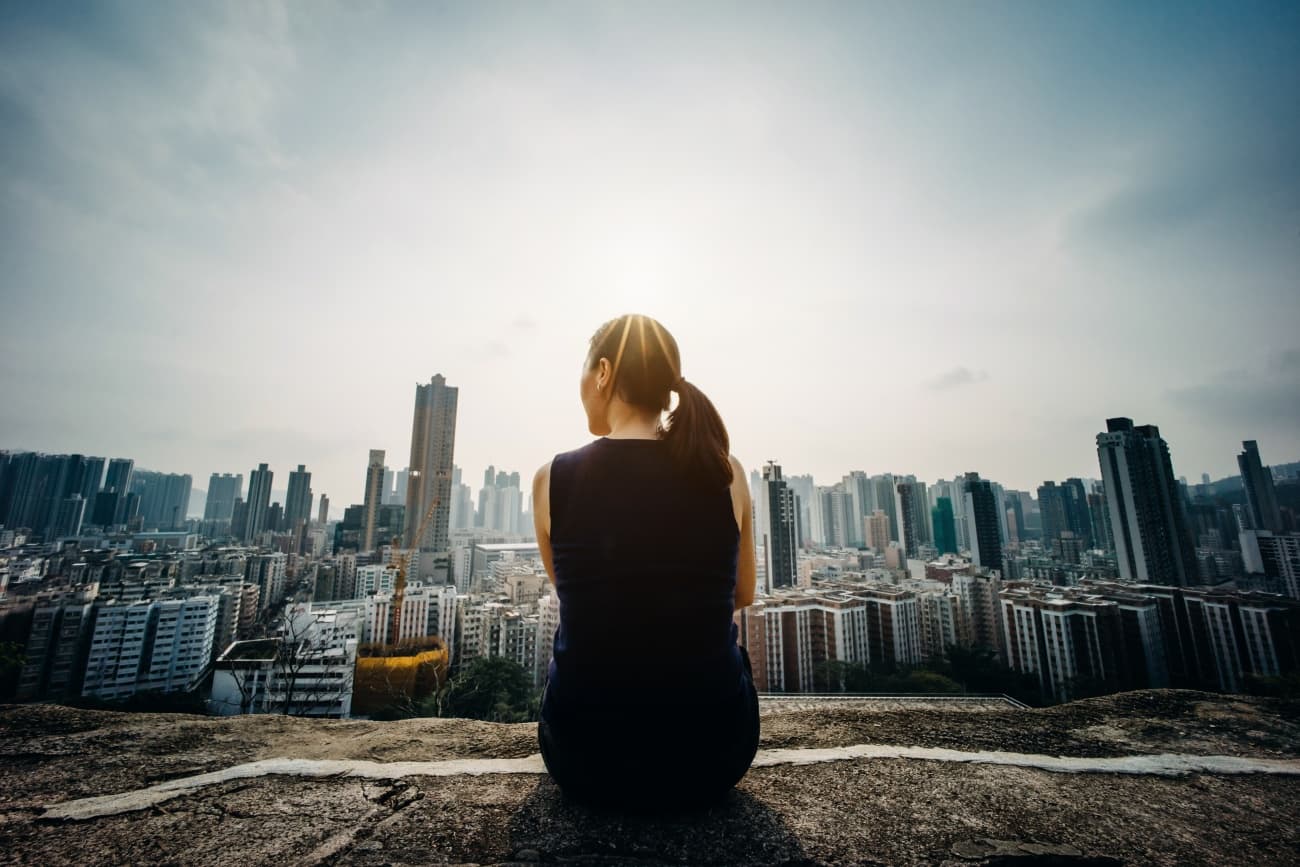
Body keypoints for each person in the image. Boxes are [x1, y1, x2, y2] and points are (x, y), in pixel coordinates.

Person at [532, 312, 761, 813]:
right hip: (713, 758)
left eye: (583, 371)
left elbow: (574, 595)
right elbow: (741, 596)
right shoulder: (726, 473)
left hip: (583, 760)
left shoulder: (553, 478)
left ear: (604, 373)